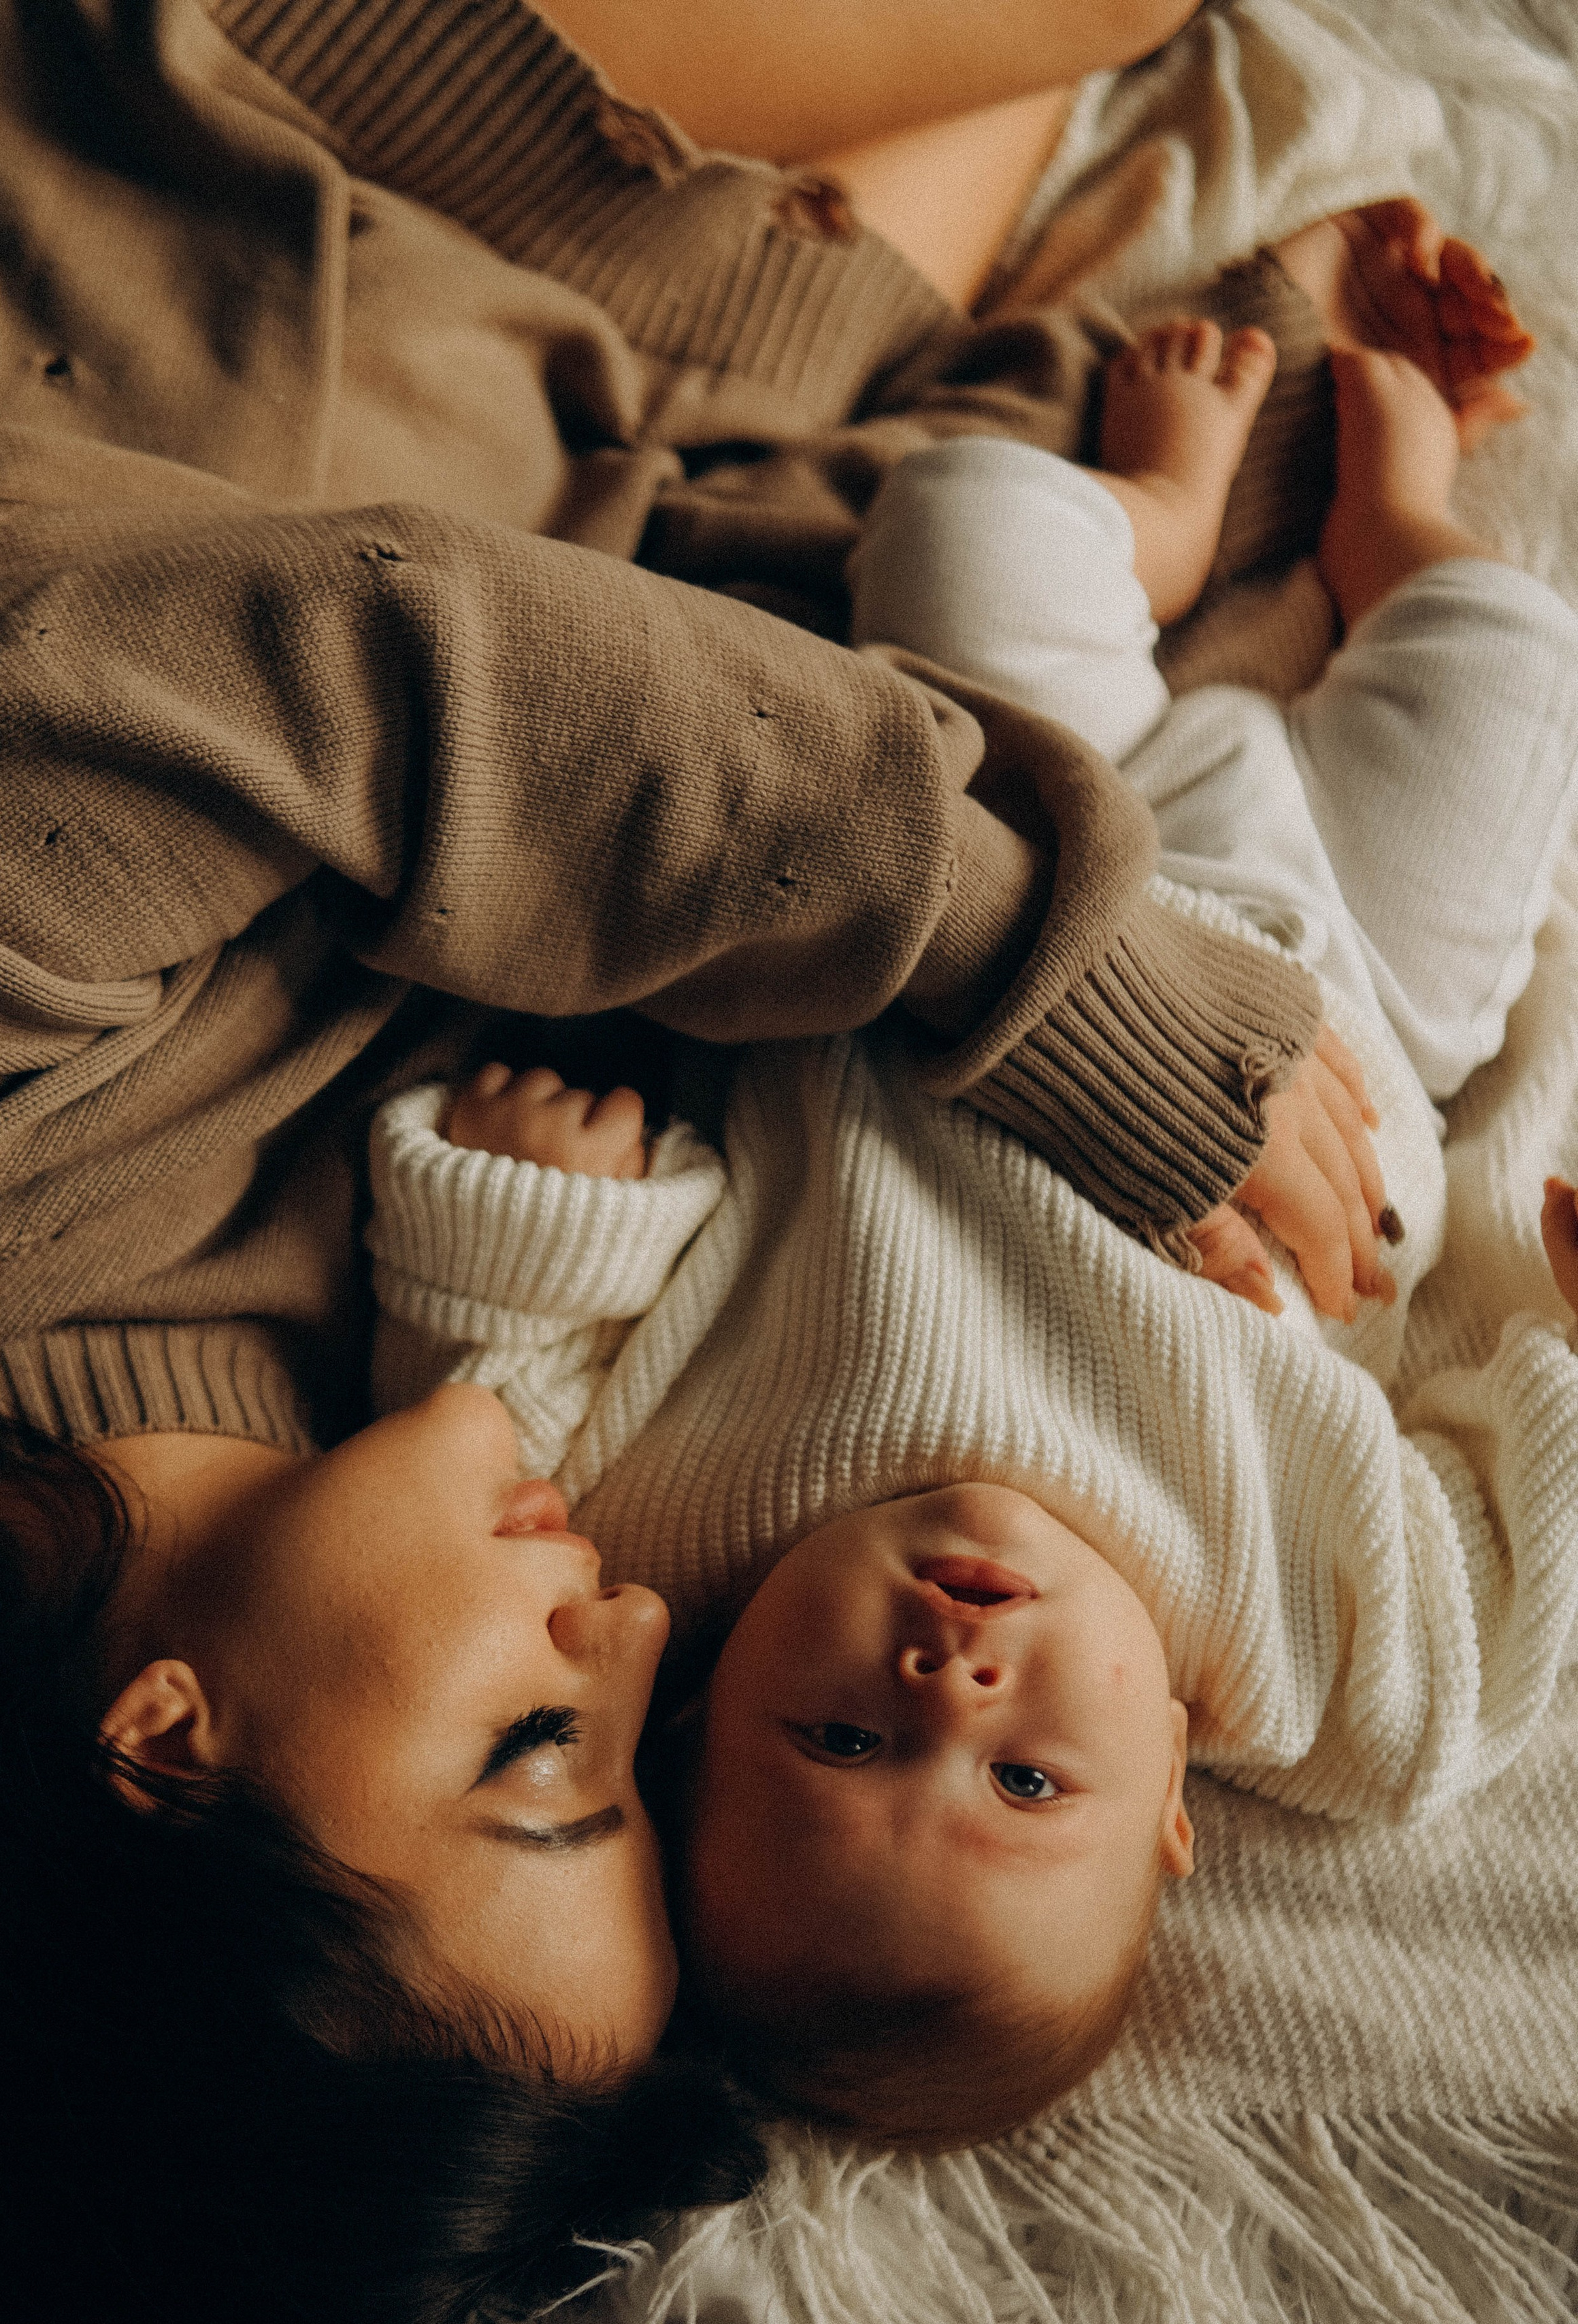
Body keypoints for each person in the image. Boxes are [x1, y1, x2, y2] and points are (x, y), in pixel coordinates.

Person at [0, 0, 1393, 2324]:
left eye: (539, 1743)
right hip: (686, 372)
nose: (642, 1611)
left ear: (157, 1753)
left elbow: (358, 668)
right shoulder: (361, 1415)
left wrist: (1028, 953)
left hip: (260, 133)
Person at [367, 310, 1578, 2148]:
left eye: (842, 1742)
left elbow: (489, 1410)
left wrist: (523, 1202)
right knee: (1518, 666)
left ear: (689, 1729)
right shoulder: (1329, 1679)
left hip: (1018, 854)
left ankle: (1161, 514)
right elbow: (1523, 1574)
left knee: (965, 516)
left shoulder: (666, 1523)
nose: (951, 1679)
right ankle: (1394, 528)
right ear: (1173, 1802)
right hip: (1356, 1005)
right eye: (1030, 1780)